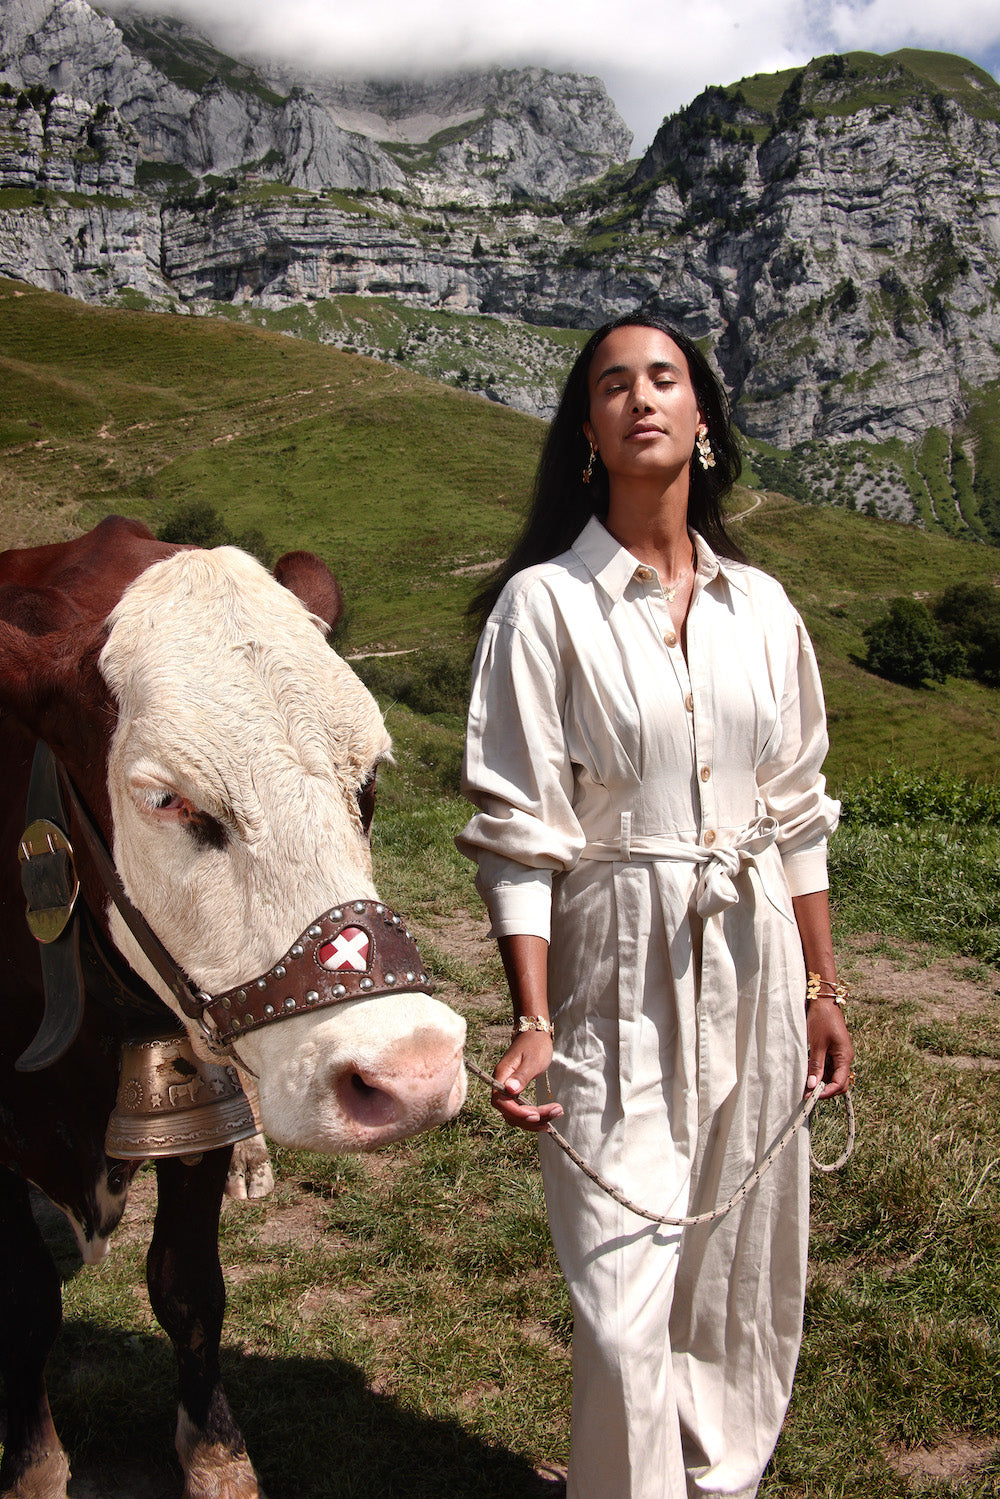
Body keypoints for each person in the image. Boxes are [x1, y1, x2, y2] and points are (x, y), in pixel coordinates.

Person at [456, 311, 853, 1499]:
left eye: (664, 378)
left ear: (701, 420)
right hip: (611, 951)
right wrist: (530, 1016)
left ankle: (713, 1475)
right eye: (612, 385)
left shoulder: (764, 609)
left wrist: (825, 987)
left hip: (758, 952)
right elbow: (519, 825)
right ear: (586, 431)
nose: (640, 398)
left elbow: (794, 809)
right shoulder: (545, 605)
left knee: (737, 1258)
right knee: (625, 1291)